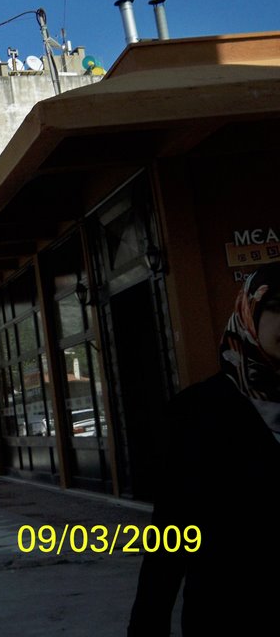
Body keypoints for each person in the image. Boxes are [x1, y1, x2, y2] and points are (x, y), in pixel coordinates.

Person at [128, 263, 280, 635]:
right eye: (278, 306)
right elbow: (172, 531)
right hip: (231, 614)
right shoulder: (198, 412)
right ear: (249, 313)